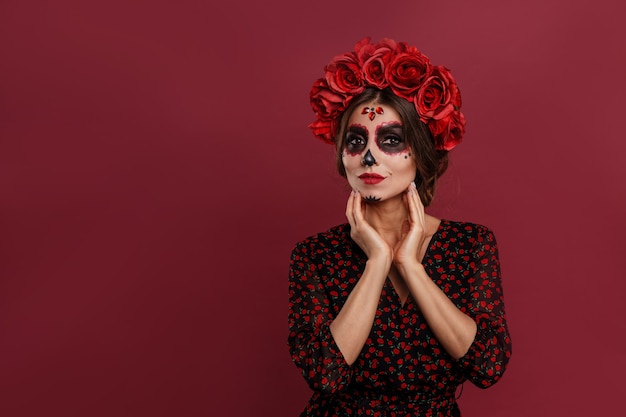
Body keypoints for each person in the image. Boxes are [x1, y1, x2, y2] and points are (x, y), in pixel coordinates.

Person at [288, 38, 512, 416]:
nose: (369, 156)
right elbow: (326, 375)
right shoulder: (315, 256)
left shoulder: (469, 245)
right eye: (355, 141)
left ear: (421, 154)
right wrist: (377, 261)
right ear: (343, 157)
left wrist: (411, 266)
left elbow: (487, 366)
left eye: (391, 140)